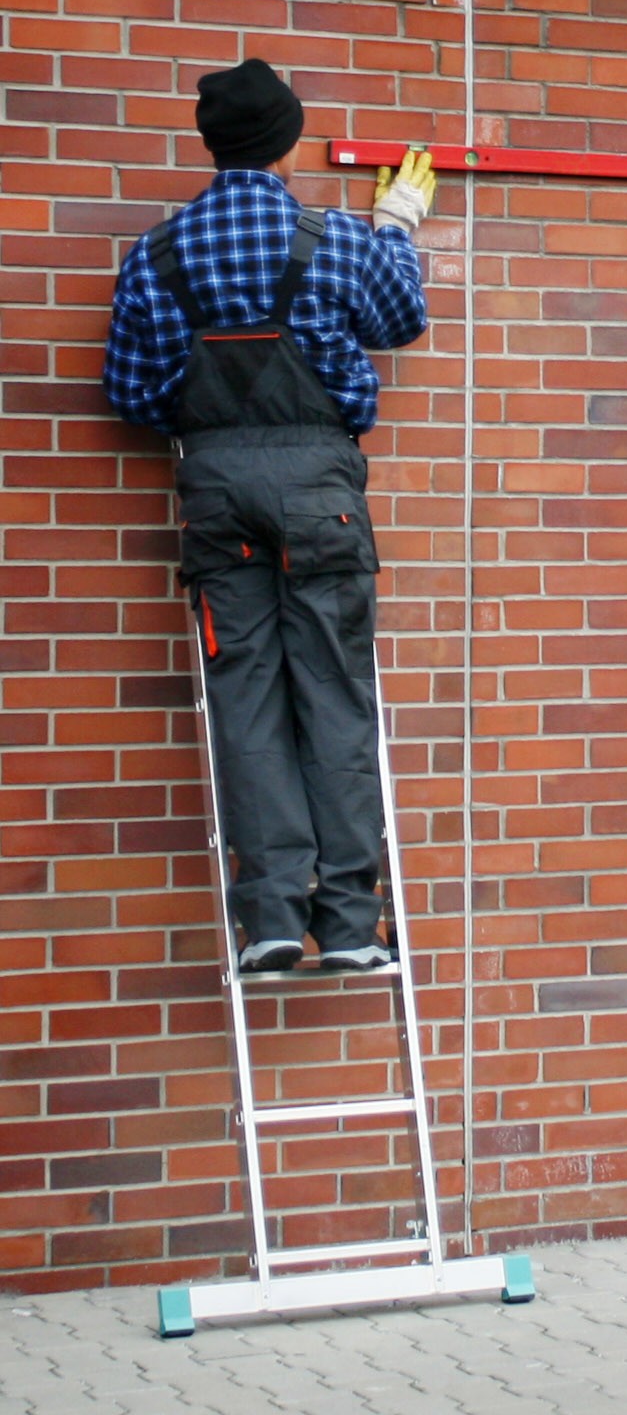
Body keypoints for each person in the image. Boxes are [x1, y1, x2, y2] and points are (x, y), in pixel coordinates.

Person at [103, 58, 436, 972]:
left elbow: (131, 395)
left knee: (244, 698)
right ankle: (346, 924)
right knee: (331, 691)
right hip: (320, 488)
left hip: (215, 489)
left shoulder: (156, 255)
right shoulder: (334, 240)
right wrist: (397, 226)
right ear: (289, 142)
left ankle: (273, 920)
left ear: (214, 147)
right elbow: (403, 317)